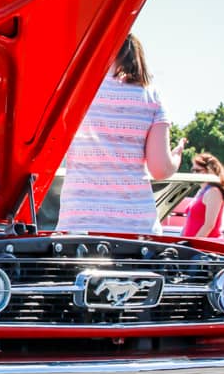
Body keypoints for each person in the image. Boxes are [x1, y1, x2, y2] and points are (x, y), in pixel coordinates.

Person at [56, 34, 184, 235]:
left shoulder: (77, 91)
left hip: (79, 221)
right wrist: (176, 157)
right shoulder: (152, 96)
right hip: (137, 227)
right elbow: (160, 169)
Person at [181, 153, 224, 237]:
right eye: (193, 170)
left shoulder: (213, 192)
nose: (194, 174)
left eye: (197, 171)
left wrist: (193, 242)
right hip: (193, 242)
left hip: (206, 243)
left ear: (209, 171)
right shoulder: (201, 191)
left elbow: (209, 225)